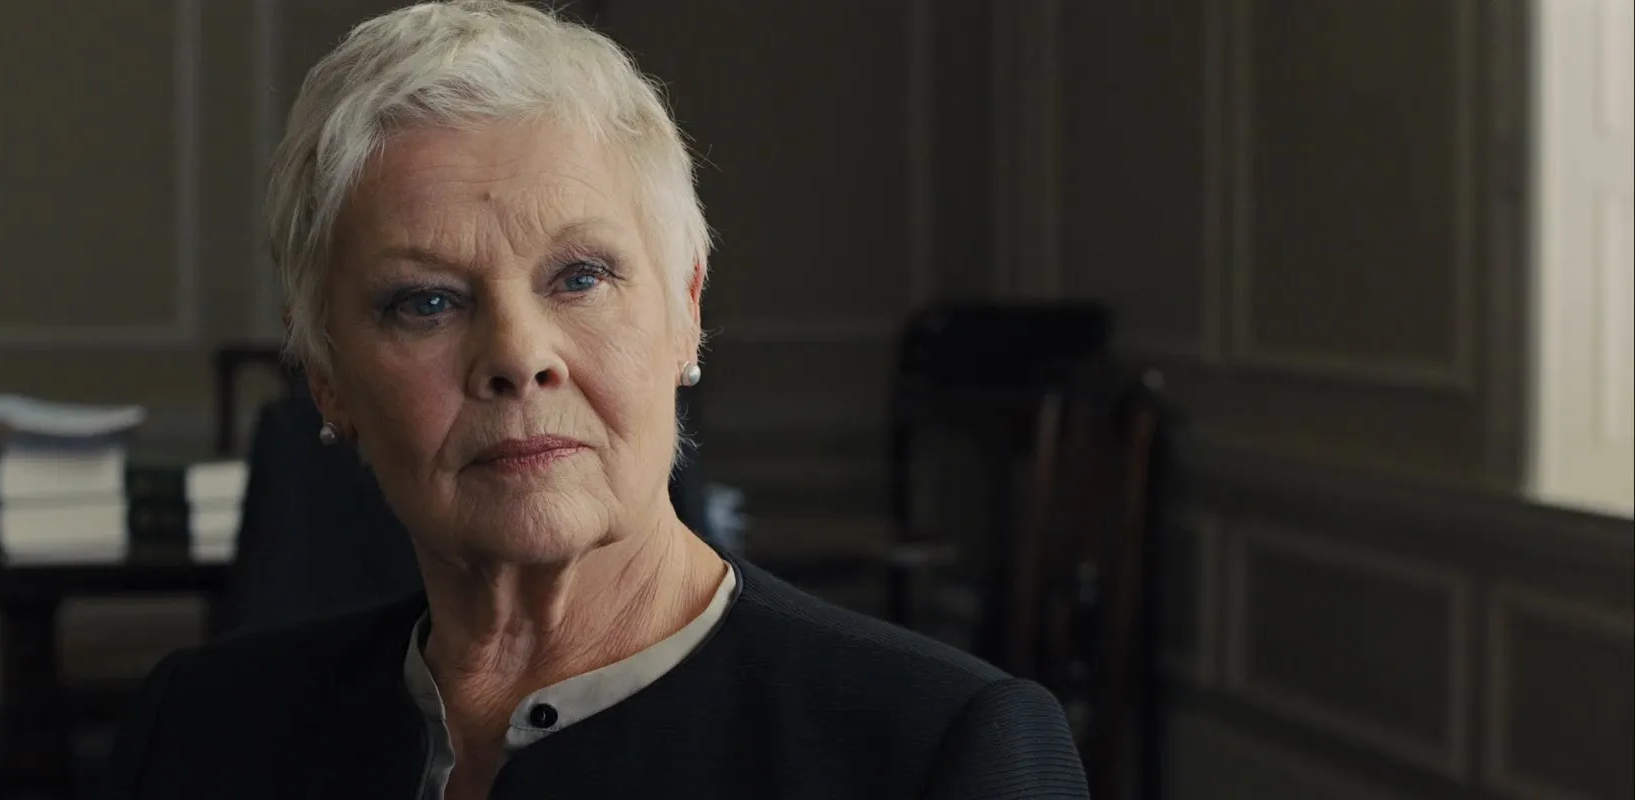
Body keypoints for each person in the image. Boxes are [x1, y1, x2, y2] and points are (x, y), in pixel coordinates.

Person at [104, 2, 1088, 798]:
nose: (517, 356)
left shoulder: (939, 751)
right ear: (325, 373)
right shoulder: (198, 732)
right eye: (427, 302)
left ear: (685, 313)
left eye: (580, 277)